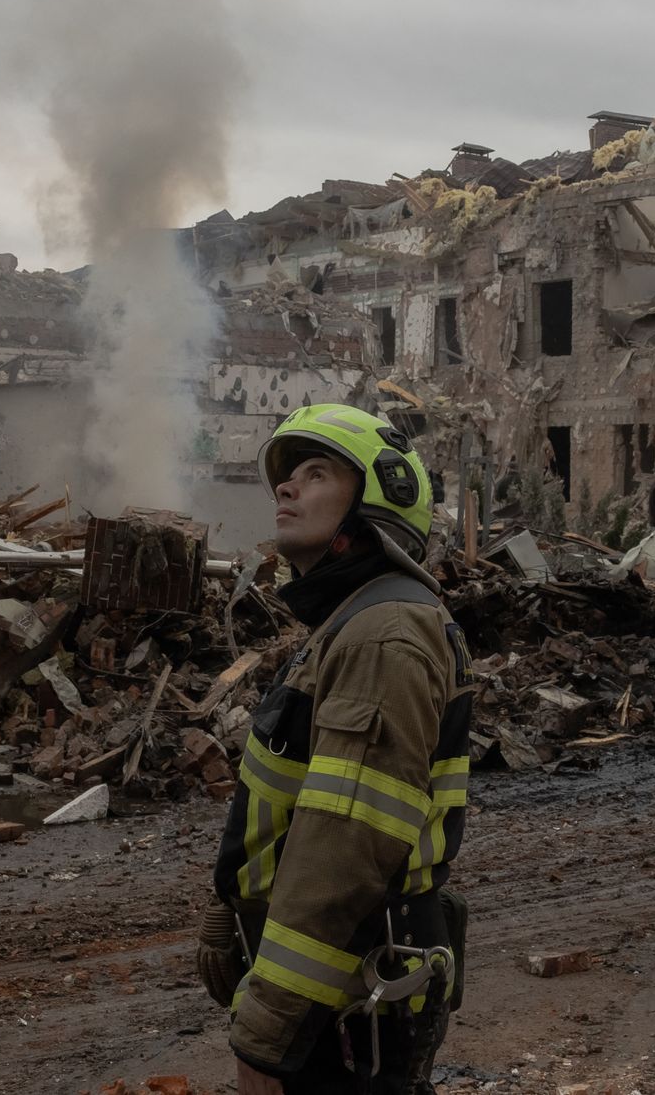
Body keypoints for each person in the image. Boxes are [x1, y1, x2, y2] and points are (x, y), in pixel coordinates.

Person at [197, 403, 476, 1094]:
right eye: (286, 476)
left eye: (315, 472)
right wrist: (230, 901)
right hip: (334, 983)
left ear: (382, 496)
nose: (286, 488)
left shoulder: (384, 634)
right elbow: (294, 804)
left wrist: (269, 1027)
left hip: (348, 994)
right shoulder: (354, 622)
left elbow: (345, 843)